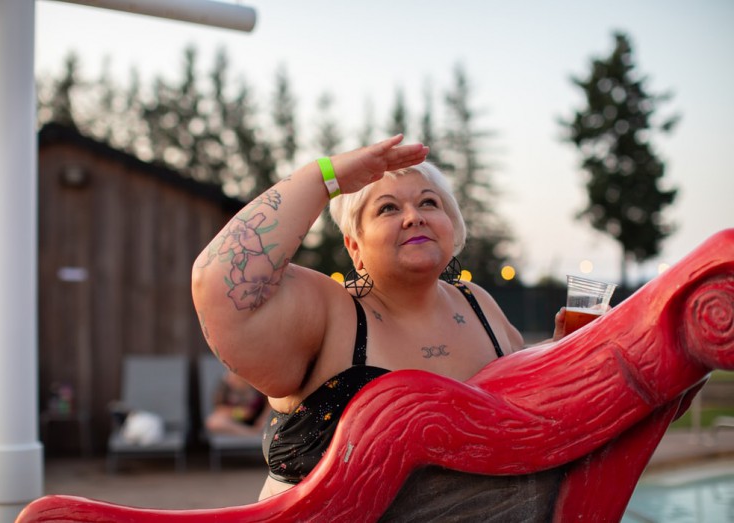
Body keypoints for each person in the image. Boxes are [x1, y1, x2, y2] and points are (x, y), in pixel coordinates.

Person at [191, 135, 566, 500]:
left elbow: (521, 405)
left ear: (451, 225)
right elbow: (221, 283)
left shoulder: (479, 304)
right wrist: (323, 176)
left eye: (429, 203)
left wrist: (559, 353)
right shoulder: (330, 311)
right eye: (388, 208)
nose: (413, 217)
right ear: (354, 245)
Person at [205, 369, 269, 437]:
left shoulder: (257, 383)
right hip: (236, 422)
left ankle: (255, 433)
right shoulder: (225, 387)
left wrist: (263, 418)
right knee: (213, 422)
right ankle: (250, 433)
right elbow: (219, 410)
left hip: (258, 421)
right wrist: (239, 413)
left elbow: (269, 403)